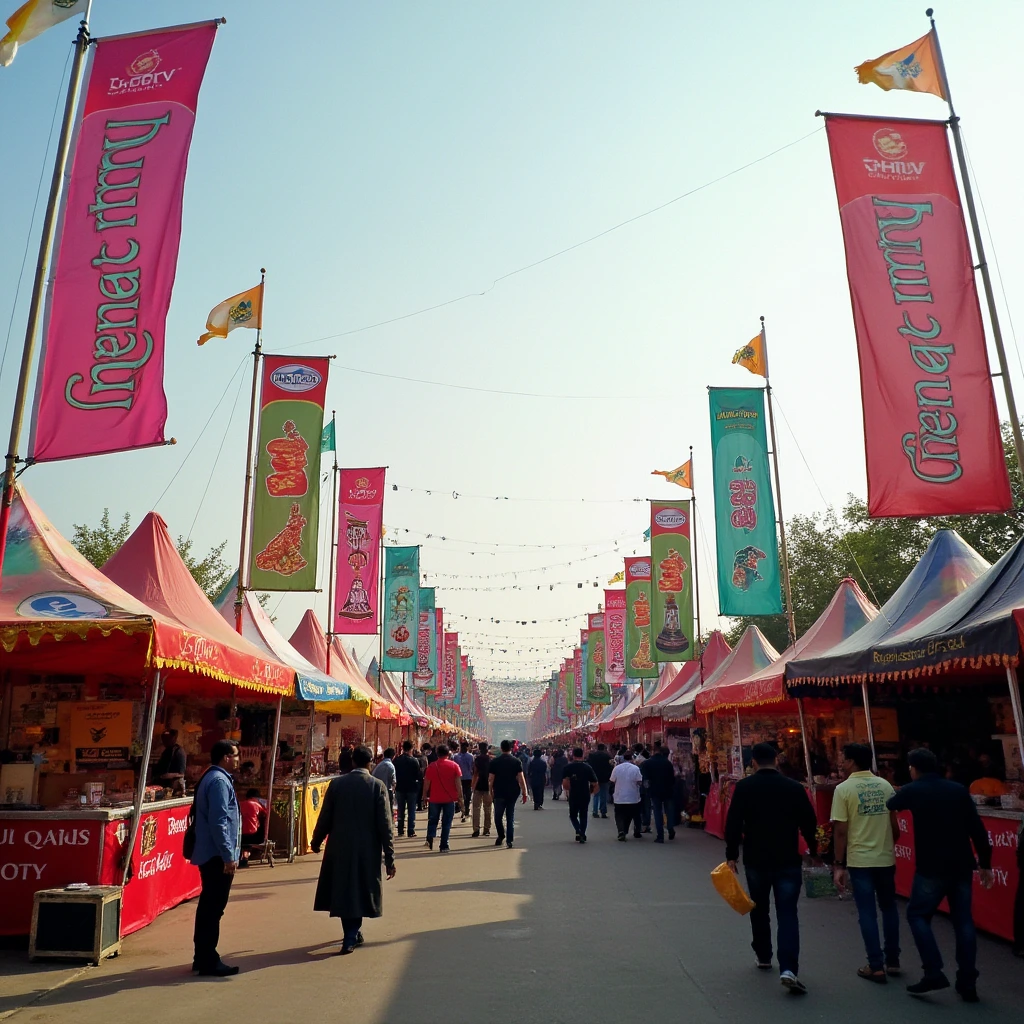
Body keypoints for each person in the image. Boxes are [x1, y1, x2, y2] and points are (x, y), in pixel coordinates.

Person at [887, 747, 993, 1002]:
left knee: (917, 914)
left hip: (931, 864)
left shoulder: (913, 790)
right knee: (963, 921)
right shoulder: (957, 790)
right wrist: (985, 863)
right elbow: (976, 829)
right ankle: (968, 979)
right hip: (961, 863)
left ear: (913, 768)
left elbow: (892, 803)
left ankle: (933, 970)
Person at [725, 742, 818, 996]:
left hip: (756, 858)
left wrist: (731, 854)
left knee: (759, 907)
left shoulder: (744, 787)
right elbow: (809, 822)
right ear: (777, 759)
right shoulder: (793, 787)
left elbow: (733, 822)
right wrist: (816, 850)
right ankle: (789, 968)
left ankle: (764, 955)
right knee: (788, 912)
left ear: (753, 762)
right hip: (788, 857)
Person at [311, 745, 396, 955]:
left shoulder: (337, 785)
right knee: (359, 889)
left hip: (339, 846)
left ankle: (351, 933)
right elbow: (385, 825)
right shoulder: (377, 786)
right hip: (367, 848)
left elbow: (325, 816)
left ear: (353, 762)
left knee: (343, 890)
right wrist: (390, 857)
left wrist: (316, 840)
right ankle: (351, 935)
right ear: (370, 763)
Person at [830, 743, 901, 982]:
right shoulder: (885, 786)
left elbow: (840, 831)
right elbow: (894, 826)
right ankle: (893, 960)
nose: (841, 763)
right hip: (884, 857)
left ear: (851, 762)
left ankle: (875, 964)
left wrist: (838, 864)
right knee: (889, 908)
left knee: (867, 912)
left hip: (859, 860)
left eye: (843, 758)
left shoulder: (843, 789)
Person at [189, 739, 242, 976]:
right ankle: (208, 958)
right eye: (236, 755)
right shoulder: (219, 781)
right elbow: (219, 821)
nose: (239, 759)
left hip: (211, 852)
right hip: (216, 855)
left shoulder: (210, 777)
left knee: (208, 906)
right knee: (213, 908)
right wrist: (228, 856)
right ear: (226, 757)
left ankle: (202, 955)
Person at [422, 744, 464, 852]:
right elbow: (458, 784)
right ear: (448, 753)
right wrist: (460, 798)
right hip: (449, 799)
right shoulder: (454, 766)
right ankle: (444, 845)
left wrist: (424, 795)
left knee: (433, 820)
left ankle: (430, 835)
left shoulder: (432, 766)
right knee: (447, 822)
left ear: (437, 753)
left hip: (434, 798)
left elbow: (427, 782)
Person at [489, 739, 528, 848]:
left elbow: (491, 779)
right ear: (511, 748)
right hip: (513, 792)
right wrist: (525, 793)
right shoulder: (516, 761)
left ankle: (501, 835)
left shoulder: (495, 762)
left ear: (501, 748)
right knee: (510, 816)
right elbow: (521, 778)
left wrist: (490, 791)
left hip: (499, 792)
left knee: (498, 816)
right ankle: (509, 840)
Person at [641, 742, 677, 843]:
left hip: (654, 791)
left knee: (657, 812)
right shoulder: (667, 763)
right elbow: (672, 778)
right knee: (669, 811)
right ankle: (670, 829)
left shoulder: (647, 763)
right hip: (668, 790)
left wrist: (647, 791)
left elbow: (645, 780)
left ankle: (660, 836)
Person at [562, 747, 599, 842]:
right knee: (583, 814)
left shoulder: (568, 767)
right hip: (585, 794)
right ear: (582, 755)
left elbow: (565, 784)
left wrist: (568, 790)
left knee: (573, 815)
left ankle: (578, 831)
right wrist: (591, 793)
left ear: (573, 755)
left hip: (574, 794)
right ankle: (582, 832)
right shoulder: (588, 767)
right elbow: (595, 783)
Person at [609, 749, 643, 840]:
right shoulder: (635, 768)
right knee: (629, 815)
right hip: (632, 797)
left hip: (619, 796)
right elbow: (640, 782)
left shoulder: (617, 768)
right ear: (632, 758)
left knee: (619, 815)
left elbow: (612, 780)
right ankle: (625, 830)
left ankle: (621, 830)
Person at [394, 740, 421, 838]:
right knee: (411, 810)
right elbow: (418, 775)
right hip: (412, 788)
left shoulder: (397, 760)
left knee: (400, 809)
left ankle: (400, 830)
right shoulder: (414, 761)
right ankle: (411, 830)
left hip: (400, 787)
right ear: (411, 749)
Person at [238, 788, 267, 867]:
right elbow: (266, 815)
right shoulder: (258, 805)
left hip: (241, 836)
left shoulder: (240, 804)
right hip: (255, 836)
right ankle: (246, 856)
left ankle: (244, 856)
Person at [153, 729, 187, 795]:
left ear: (174, 738)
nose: (164, 741)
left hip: (173, 789)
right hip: (162, 786)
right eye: (163, 739)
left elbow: (182, 774)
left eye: (167, 739)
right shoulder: (166, 751)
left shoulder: (179, 752)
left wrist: (169, 775)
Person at [471, 741, 493, 838]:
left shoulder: (477, 759)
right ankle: (486, 829)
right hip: (488, 785)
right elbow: (493, 775)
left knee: (476, 808)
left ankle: (476, 829)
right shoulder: (492, 760)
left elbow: (475, 773)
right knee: (488, 808)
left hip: (479, 785)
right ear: (487, 749)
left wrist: (473, 786)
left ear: (479, 749)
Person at [587, 743, 613, 819]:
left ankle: (595, 811)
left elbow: (589, 766)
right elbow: (610, 766)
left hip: (594, 778)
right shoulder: (607, 756)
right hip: (605, 778)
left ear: (597, 748)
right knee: (603, 795)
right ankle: (603, 811)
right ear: (603, 748)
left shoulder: (592, 756)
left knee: (596, 795)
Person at [453, 741, 475, 823]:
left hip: (459, 778)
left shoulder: (455, 756)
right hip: (468, 778)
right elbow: (472, 768)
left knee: (460, 794)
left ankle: (462, 808)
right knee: (467, 794)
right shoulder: (470, 756)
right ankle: (465, 808)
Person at [371, 747, 397, 816]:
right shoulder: (391, 766)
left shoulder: (378, 766)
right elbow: (393, 781)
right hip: (387, 790)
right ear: (393, 756)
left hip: (375, 790)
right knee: (388, 811)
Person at [414, 745, 429, 810]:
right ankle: (423, 805)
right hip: (423, 776)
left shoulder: (415, 759)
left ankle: (419, 805)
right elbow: (427, 766)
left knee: (418, 792)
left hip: (417, 777)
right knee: (423, 791)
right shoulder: (424, 758)